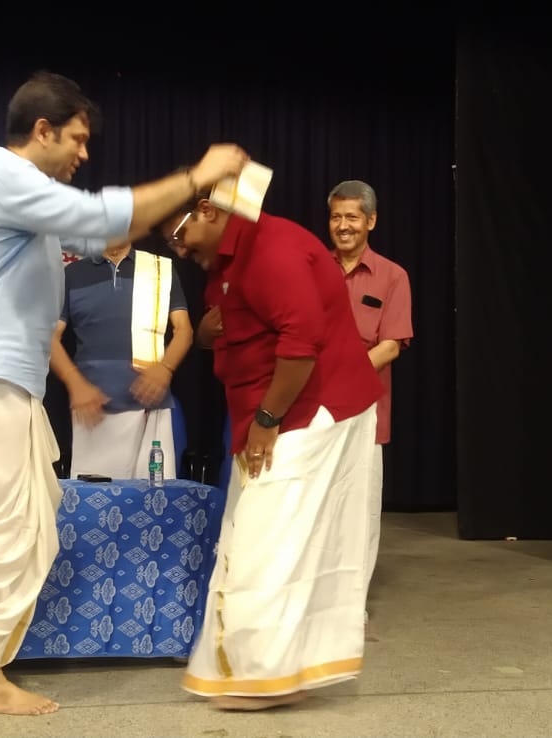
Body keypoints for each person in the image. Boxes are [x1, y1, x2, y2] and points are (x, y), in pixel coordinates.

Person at [0, 70, 248, 716]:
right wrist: (198, 175)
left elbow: (97, 233)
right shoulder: (6, 180)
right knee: (0, 527)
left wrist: (185, 210)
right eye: (78, 139)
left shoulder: (11, 185)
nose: (85, 153)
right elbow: (100, 217)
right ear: (43, 129)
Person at [159, 193, 384, 711]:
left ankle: (266, 675)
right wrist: (210, 334)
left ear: (208, 211)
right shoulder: (227, 260)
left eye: (180, 235)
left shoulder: (271, 249)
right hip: (267, 413)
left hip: (309, 411)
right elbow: (238, 331)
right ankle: (264, 669)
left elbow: (301, 342)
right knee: (254, 536)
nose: (179, 249)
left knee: (270, 540)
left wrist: (267, 420)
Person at [327, 179, 413, 631]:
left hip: (364, 411)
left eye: (352, 217)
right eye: (336, 217)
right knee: (317, 507)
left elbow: (392, 345)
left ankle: (350, 603)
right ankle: (315, 596)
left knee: (359, 510)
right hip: (312, 408)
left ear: (371, 221)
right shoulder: (312, 268)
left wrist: (343, 375)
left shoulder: (392, 276)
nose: (343, 226)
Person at [50, 238, 192, 479]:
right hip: (94, 410)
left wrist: (166, 368)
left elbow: (184, 330)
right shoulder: (72, 274)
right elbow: (49, 337)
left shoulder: (159, 269)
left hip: (150, 406)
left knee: (154, 496)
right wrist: (75, 383)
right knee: (96, 498)